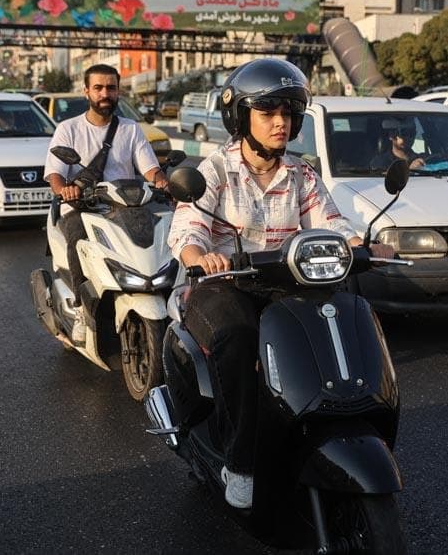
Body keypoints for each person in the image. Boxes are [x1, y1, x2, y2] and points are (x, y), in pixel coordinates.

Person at [166, 58, 395, 510]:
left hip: (284, 283)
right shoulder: (214, 171)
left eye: (288, 114)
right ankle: (241, 463)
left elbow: (331, 223)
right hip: (222, 284)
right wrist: (201, 256)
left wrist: (361, 245)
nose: (280, 123)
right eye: (269, 113)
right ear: (241, 117)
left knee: (342, 316)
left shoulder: (302, 174)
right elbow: (187, 230)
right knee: (238, 338)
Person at [45, 64, 169, 337]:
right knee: (77, 237)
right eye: (98, 88)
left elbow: (149, 168)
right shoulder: (69, 129)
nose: (105, 93)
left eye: (110, 88)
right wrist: (64, 190)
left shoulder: (130, 129)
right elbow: (54, 172)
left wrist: (162, 182)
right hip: (83, 207)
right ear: (86, 91)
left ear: (118, 91)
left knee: (165, 234)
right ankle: (80, 308)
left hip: (125, 206)